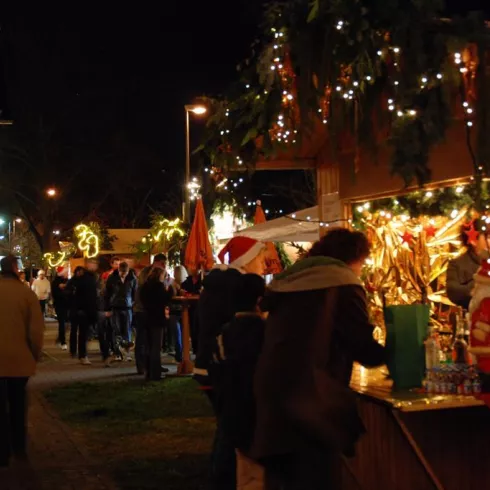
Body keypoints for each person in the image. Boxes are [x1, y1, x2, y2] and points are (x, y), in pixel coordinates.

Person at [251, 228, 386, 489]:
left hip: (273, 399)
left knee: (283, 479)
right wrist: (399, 351)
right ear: (354, 258)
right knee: (316, 478)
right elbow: (362, 346)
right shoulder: (342, 283)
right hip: (311, 406)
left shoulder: (291, 283)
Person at [195, 236, 265, 489]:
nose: (263, 263)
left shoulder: (219, 283)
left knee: (228, 425)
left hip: (211, 363)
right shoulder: (234, 286)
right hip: (222, 365)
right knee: (231, 427)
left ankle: (222, 474)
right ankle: (224, 477)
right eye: (259, 257)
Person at [210, 273, 266, 490]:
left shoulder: (224, 334)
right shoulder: (267, 332)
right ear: (259, 301)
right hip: (259, 413)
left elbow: (218, 369)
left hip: (231, 408)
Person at [0, 255, 44, 468]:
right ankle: (18, 447)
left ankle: (1, 450)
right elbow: (35, 332)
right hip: (19, 359)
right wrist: (34, 354)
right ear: (16, 269)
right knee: (17, 404)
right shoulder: (26, 294)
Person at [133, 253, 168, 375]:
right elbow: (146, 289)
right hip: (142, 310)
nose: (164, 266)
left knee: (153, 341)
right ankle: (141, 365)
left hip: (149, 310)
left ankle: (154, 365)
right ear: (156, 262)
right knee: (142, 339)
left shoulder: (160, 273)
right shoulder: (147, 272)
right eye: (162, 263)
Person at [140, 267, 173, 380]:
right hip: (157, 318)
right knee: (156, 347)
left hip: (147, 317)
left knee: (148, 346)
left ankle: (148, 372)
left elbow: (142, 299)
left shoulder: (145, 286)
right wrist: (170, 289)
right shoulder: (159, 287)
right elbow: (166, 299)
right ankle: (155, 374)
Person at [447, 221, 489, 310]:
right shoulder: (457, 264)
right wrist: (479, 284)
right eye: (487, 237)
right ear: (473, 241)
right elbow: (453, 292)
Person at [105, 262, 137, 362]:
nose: (123, 274)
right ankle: (117, 352)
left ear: (128, 271)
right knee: (116, 330)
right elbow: (107, 293)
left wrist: (132, 303)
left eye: (125, 272)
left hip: (127, 307)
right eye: (121, 272)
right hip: (115, 307)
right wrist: (108, 308)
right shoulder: (112, 278)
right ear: (118, 270)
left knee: (127, 330)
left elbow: (134, 293)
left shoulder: (132, 279)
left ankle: (127, 352)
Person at [66, 265, 97, 365]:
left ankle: (80, 354)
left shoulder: (83, 281)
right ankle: (80, 354)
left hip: (81, 310)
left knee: (82, 333)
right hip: (82, 310)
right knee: (80, 333)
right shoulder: (86, 281)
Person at [52, 266, 69, 350]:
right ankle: (63, 341)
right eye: (65, 272)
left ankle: (60, 339)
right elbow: (56, 294)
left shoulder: (68, 281)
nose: (67, 274)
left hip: (68, 305)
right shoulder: (55, 283)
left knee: (67, 324)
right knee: (62, 323)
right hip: (60, 305)